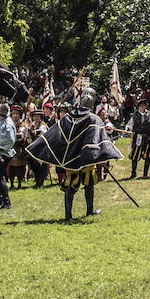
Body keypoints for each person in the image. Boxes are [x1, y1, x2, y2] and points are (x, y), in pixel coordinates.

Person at [26, 87, 122, 221]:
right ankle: (84, 212)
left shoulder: (69, 117)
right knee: (84, 183)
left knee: (79, 183)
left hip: (71, 157)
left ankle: (73, 214)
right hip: (85, 157)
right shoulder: (93, 119)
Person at [124, 102, 150, 179]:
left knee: (148, 156)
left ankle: (145, 174)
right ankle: (133, 174)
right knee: (135, 156)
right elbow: (129, 125)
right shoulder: (134, 116)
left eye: (143, 105)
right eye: (140, 106)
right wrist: (127, 130)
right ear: (138, 107)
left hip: (148, 138)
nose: (142, 107)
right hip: (138, 138)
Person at [0, 102, 17, 210]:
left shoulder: (7, 124)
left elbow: (10, 140)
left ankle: (7, 202)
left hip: (4, 153)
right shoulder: (2, 122)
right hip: (0, 152)